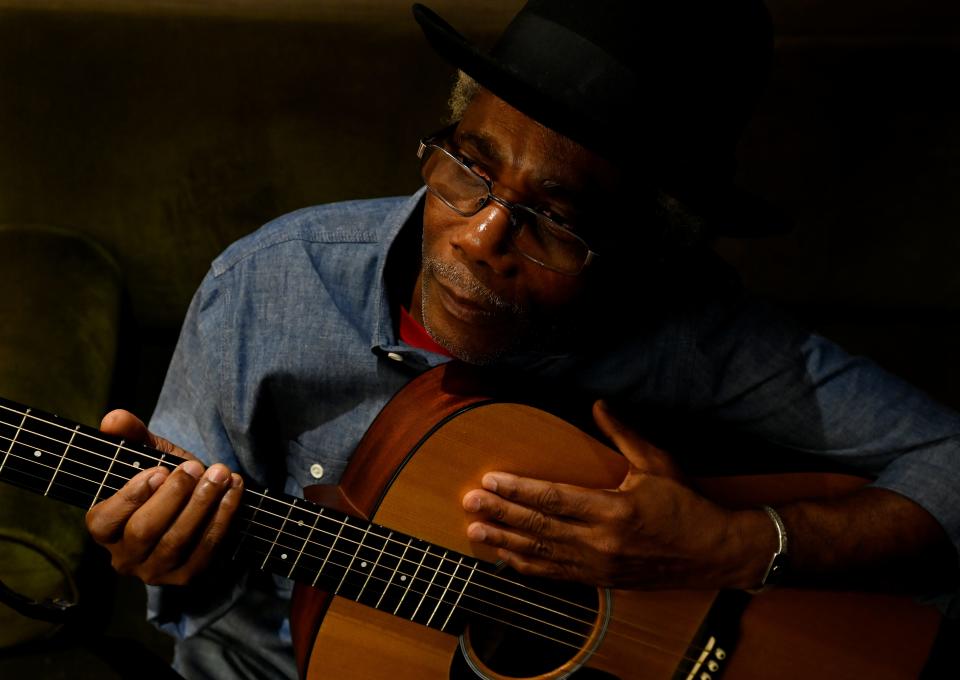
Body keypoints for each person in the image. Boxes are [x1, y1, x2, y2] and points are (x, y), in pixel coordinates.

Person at [85, 1, 960, 678]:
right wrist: (163, 553)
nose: (478, 238)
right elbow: (190, 595)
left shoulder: (694, 330)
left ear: (642, 248)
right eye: (468, 168)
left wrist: (731, 545)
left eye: (555, 220)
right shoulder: (265, 286)